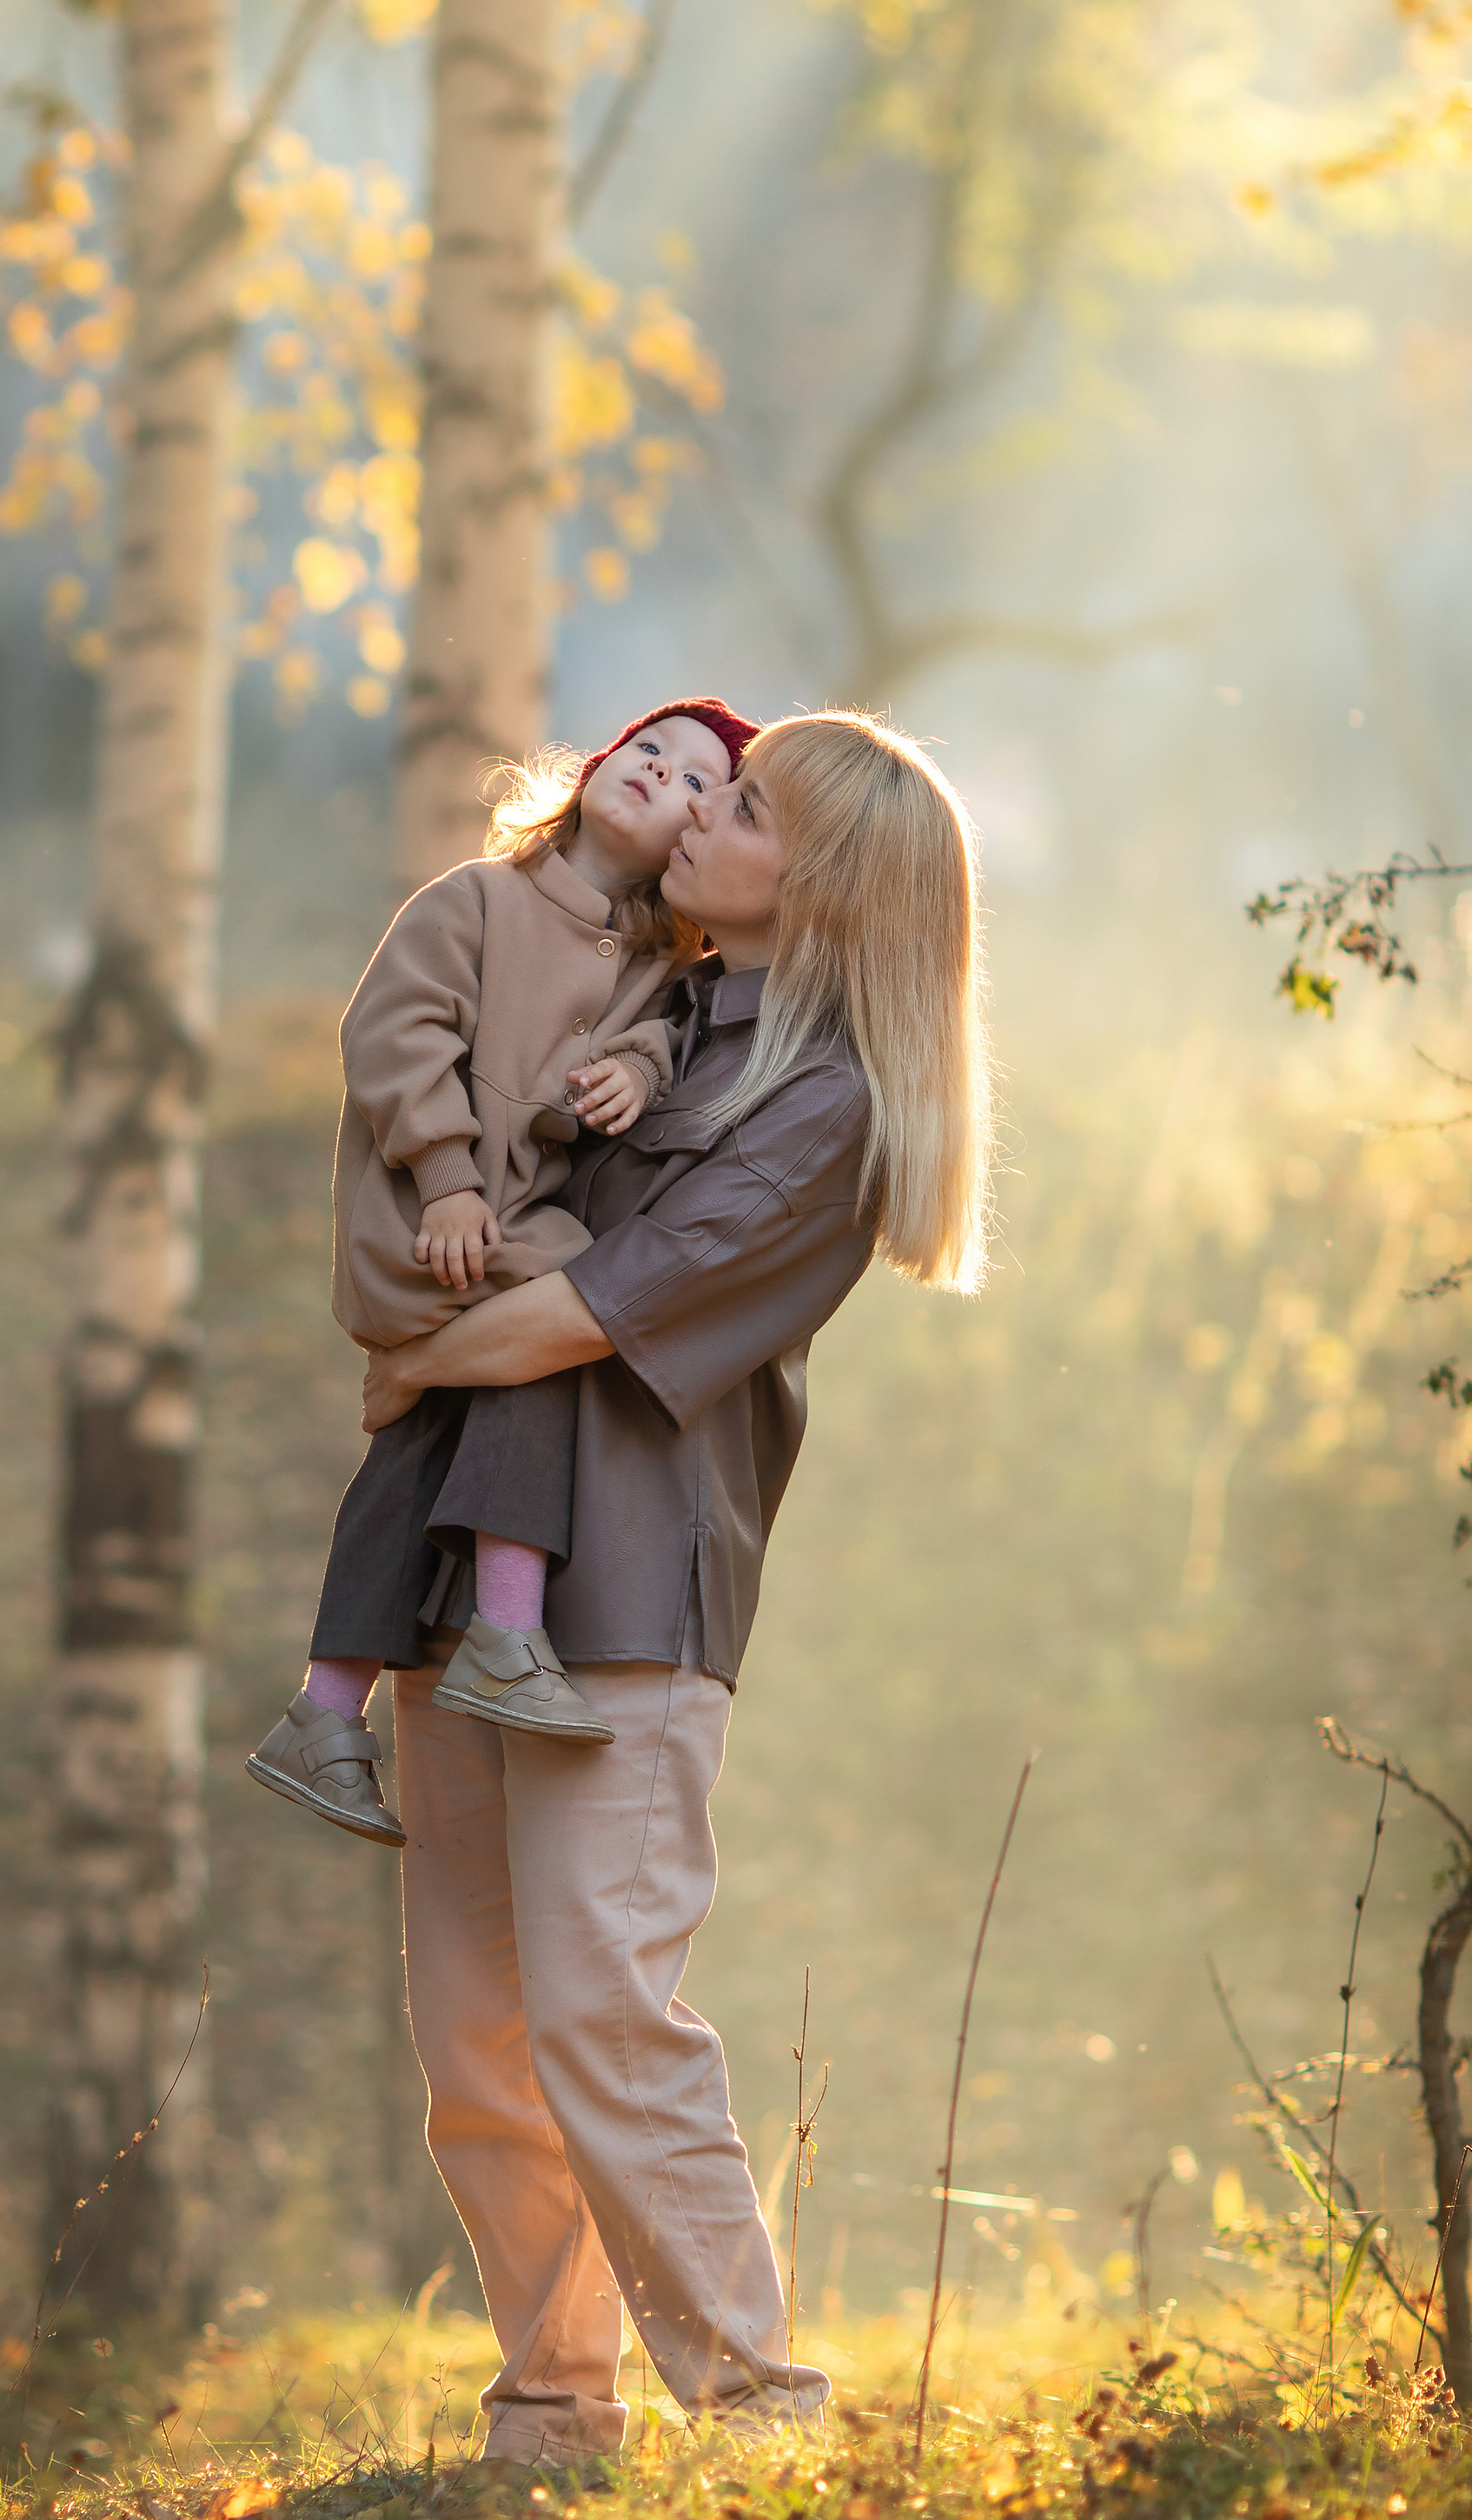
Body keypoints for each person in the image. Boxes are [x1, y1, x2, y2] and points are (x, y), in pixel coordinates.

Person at [353, 711, 993, 2461]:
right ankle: (553, 2411)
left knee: (601, 2012)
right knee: (479, 2044)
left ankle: (763, 2415)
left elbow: (592, 1310)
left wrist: (409, 1364)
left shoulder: (824, 1109)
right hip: (462, 1567)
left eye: (747, 805)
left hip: (627, 1600)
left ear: (824, 883)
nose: (703, 811)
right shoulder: (642, 1009)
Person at [247, 701, 759, 1841]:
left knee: (424, 1442)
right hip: (428, 1218)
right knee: (568, 1321)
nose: (660, 775)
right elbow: (396, 1031)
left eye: (692, 782)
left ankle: (326, 1710)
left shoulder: (651, 967)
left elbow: (655, 1035)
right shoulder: (478, 899)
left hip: (501, 1225)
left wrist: (630, 1068)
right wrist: (445, 1176)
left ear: (693, 834)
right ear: (595, 767)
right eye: (650, 752)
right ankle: (508, 1630)